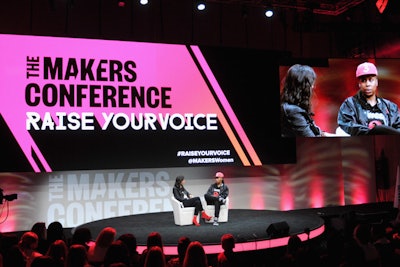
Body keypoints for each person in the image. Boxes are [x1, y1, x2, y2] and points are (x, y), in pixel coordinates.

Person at [337, 61, 400, 136]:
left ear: (376, 82)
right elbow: (347, 125)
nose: (367, 84)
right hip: (361, 145)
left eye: (371, 80)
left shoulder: (390, 107)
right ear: (359, 84)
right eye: (363, 80)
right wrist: (371, 133)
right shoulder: (349, 104)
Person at [280, 64, 328, 137]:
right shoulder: (293, 111)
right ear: (303, 87)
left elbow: (314, 130)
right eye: (311, 84)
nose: (313, 87)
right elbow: (311, 139)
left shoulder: (294, 108)